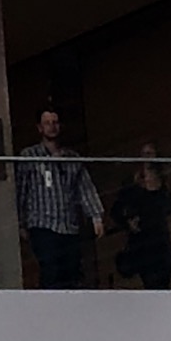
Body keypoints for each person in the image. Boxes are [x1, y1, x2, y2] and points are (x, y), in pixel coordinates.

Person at [15, 108, 104, 288]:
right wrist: (20, 222)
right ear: (40, 128)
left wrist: (96, 216)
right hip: (42, 224)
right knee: (50, 270)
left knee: (71, 273)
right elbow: (20, 190)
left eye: (55, 122)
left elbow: (84, 188)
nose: (52, 127)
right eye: (47, 123)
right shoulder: (29, 156)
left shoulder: (72, 158)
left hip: (68, 226)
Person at [111, 144, 171, 290]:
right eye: (145, 153)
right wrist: (128, 223)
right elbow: (116, 211)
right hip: (142, 244)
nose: (148, 157)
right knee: (151, 284)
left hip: (161, 243)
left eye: (151, 153)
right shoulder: (132, 185)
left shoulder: (165, 185)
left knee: (163, 283)